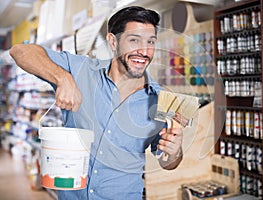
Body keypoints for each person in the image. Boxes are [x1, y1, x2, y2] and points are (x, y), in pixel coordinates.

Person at [9, 6, 183, 200]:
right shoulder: (80, 70)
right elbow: (20, 51)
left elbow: (168, 163)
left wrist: (174, 152)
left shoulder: (161, 101)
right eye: (134, 40)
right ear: (113, 41)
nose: (144, 51)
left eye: (150, 42)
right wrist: (62, 78)